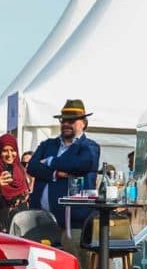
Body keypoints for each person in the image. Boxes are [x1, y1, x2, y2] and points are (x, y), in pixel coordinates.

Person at [27, 99, 102, 234]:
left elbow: (80, 164)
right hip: (41, 221)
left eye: (71, 121)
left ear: (83, 123)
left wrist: (50, 162)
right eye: (63, 120)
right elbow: (32, 167)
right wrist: (55, 174)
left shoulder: (90, 147)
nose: (66, 124)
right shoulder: (48, 144)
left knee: (74, 254)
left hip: (74, 224)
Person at [0, 133, 32, 233]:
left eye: (13, 150)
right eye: (5, 151)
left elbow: (26, 198)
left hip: (22, 228)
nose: (9, 154)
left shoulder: (20, 170)